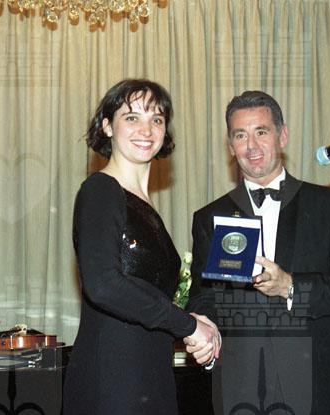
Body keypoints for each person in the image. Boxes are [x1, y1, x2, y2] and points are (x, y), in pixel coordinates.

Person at [187, 91, 330, 414]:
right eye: (240, 135)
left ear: (283, 136)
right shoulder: (210, 217)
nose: (251, 146)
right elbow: (204, 300)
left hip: (321, 387)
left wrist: (290, 286)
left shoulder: (329, 206)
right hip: (242, 390)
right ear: (230, 146)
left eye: (261, 132)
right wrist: (204, 332)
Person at [63, 79, 220, 415]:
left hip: (149, 376)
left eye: (156, 119)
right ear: (107, 126)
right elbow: (104, 285)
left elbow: (148, 297)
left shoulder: (144, 206)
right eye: (132, 117)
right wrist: (188, 326)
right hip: (113, 381)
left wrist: (194, 321)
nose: (146, 129)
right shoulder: (101, 190)